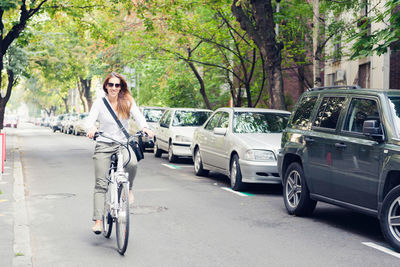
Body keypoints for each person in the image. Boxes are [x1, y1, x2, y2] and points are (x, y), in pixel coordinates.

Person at [86, 72, 153, 234]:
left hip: (123, 143)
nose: (114, 88)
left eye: (117, 85)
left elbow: (138, 117)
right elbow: (89, 121)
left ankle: (128, 189)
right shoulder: (100, 103)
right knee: (101, 184)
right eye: (111, 85)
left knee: (132, 163)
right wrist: (91, 128)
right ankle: (98, 221)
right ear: (106, 87)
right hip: (104, 144)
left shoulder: (127, 102)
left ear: (121, 87)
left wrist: (145, 128)